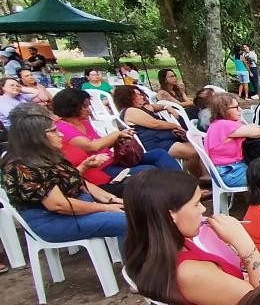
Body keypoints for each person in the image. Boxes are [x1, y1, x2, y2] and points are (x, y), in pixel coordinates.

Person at [123, 169, 260, 305]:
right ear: (170, 215)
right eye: (196, 204)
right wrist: (245, 244)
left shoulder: (164, 249)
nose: (203, 210)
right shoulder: (187, 271)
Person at [1, 104, 128, 249]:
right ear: (36, 137)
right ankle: (137, 269)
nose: (61, 134)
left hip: (74, 209)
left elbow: (80, 182)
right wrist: (105, 208)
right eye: (54, 131)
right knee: (129, 221)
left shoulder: (47, 154)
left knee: (134, 208)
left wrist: (113, 199)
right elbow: (58, 205)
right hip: (51, 221)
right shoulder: (22, 166)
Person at [52, 88, 180, 187]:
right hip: (100, 168)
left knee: (159, 154)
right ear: (72, 108)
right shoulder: (63, 128)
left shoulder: (83, 121)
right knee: (148, 170)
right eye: (85, 106)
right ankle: (173, 195)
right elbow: (92, 146)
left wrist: (118, 140)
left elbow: (101, 144)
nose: (89, 109)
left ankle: (185, 187)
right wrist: (116, 134)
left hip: (113, 159)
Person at [114, 85, 200, 174]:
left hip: (165, 139)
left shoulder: (143, 108)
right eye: (137, 95)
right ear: (127, 98)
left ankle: (193, 175)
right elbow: (155, 124)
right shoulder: (130, 111)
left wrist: (167, 107)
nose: (142, 96)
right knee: (194, 152)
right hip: (156, 143)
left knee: (199, 148)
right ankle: (193, 178)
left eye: (141, 94)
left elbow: (156, 107)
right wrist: (174, 126)